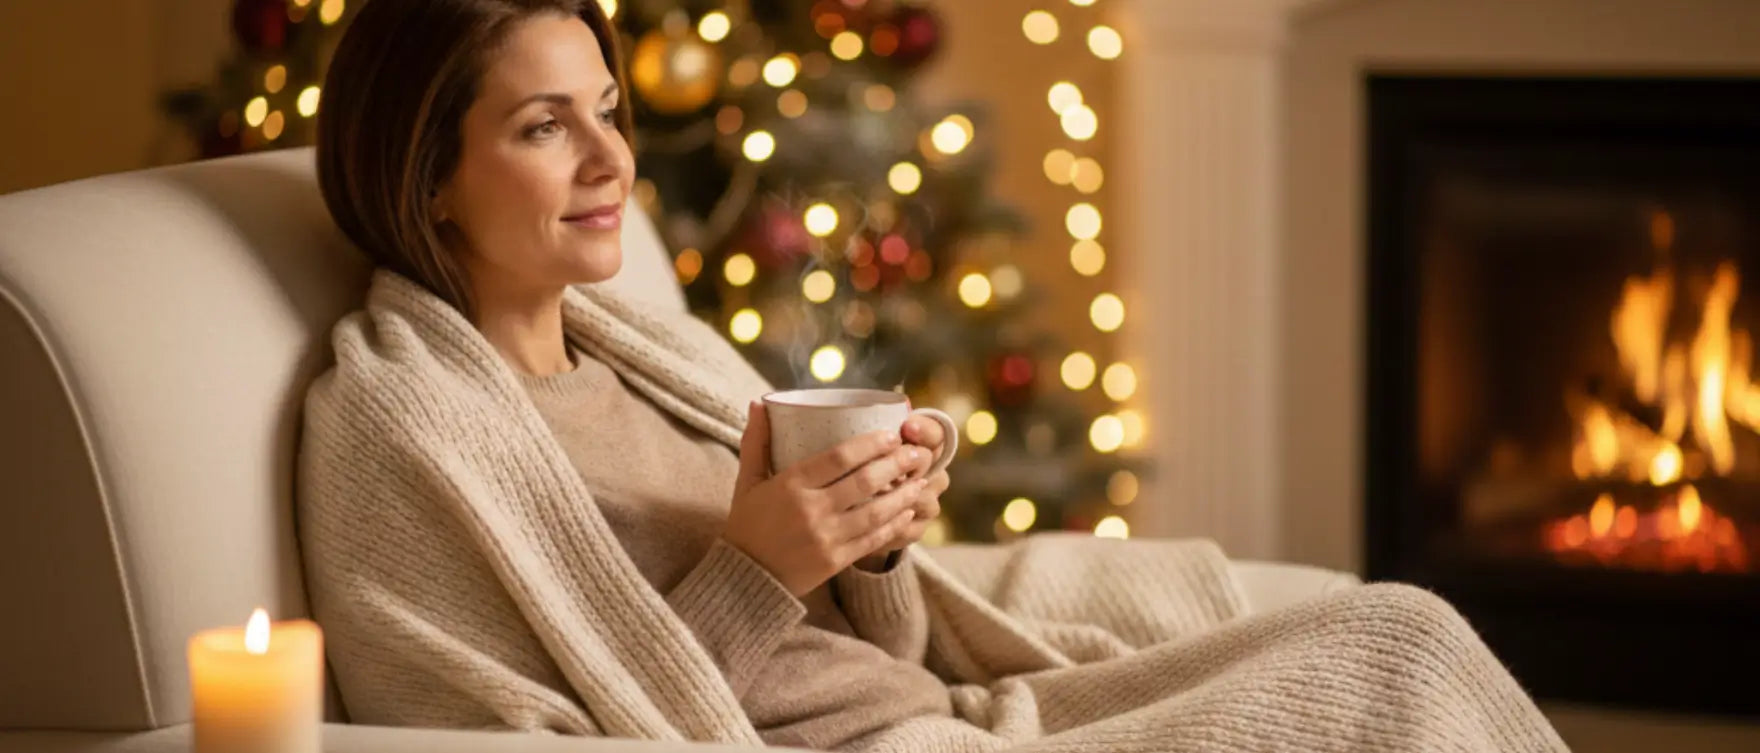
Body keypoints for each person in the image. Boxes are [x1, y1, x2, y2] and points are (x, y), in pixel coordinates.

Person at [296, 1, 1569, 751]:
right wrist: (758, 570)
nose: (609, 159)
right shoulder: (401, 424)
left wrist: (873, 546)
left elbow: (877, 643)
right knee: (1394, 668)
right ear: (423, 175)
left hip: (954, 711)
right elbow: (515, 739)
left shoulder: (640, 345)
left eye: (607, 109)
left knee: (1394, 627)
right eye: (541, 125)